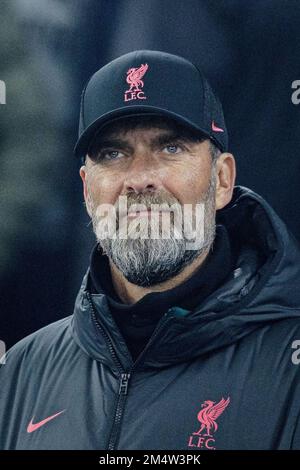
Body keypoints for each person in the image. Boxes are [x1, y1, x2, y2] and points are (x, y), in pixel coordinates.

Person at [1, 50, 300, 451]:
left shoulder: (288, 366)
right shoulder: (22, 370)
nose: (139, 179)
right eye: (113, 153)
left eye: (170, 148)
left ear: (223, 180)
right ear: (87, 189)